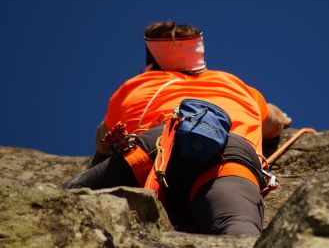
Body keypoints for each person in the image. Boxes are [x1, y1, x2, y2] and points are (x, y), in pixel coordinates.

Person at [65, 20, 291, 236]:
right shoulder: (235, 84)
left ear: (150, 66)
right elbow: (274, 122)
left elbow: (103, 140)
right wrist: (282, 118)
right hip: (230, 152)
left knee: (68, 199)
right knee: (239, 228)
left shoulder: (136, 85)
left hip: (159, 145)